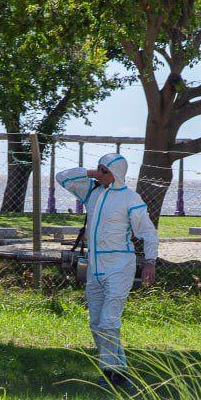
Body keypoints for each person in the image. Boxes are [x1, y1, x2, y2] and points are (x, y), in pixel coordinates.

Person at [57, 152, 159, 388]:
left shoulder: (130, 199)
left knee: (109, 320)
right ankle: (114, 370)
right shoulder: (92, 192)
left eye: (104, 170)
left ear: (116, 174)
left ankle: (115, 375)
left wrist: (150, 262)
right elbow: (62, 177)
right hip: (94, 267)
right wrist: (90, 173)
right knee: (96, 322)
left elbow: (148, 232)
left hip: (119, 266)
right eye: (98, 168)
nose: (98, 173)